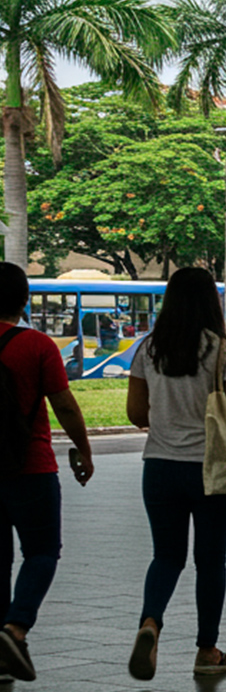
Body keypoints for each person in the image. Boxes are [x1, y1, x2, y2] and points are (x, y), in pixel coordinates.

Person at [125, 267, 226, 680]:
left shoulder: (149, 349)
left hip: (159, 466)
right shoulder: (222, 349)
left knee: (166, 556)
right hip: (210, 467)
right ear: (209, 303)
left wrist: (167, 419)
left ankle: (150, 623)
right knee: (211, 561)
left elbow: (135, 414)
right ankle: (207, 650)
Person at [0, 261, 95, 684]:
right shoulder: (38, 345)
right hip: (30, 467)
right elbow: (65, 405)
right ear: (24, 300)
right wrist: (84, 449)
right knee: (41, 552)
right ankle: (15, 629)